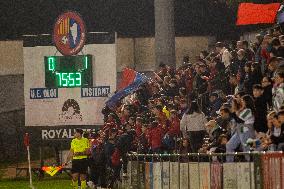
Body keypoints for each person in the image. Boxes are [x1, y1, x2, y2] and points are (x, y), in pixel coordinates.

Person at [226, 95, 256, 162]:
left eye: (243, 100)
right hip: (240, 130)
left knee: (246, 148)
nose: (241, 102)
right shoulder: (242, 109)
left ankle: (249, 164)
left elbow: (240, 120)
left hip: (246, 130)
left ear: (247, 101)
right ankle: (229, 164)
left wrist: (233, 112)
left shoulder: (249, 110)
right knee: (229, 145)